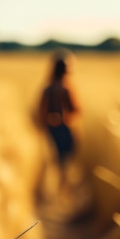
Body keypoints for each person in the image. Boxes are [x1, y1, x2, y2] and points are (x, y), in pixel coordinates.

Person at [38, 51, 80, 189]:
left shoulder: (47, 89)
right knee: (65, 162)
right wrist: (64, 118)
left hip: (49, 130)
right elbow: (77, 109)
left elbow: (40, 112)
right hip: (65, 130)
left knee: (52, 161)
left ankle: (52, 190)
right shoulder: (67, 89)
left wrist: (46, 122)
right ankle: (63, 189)